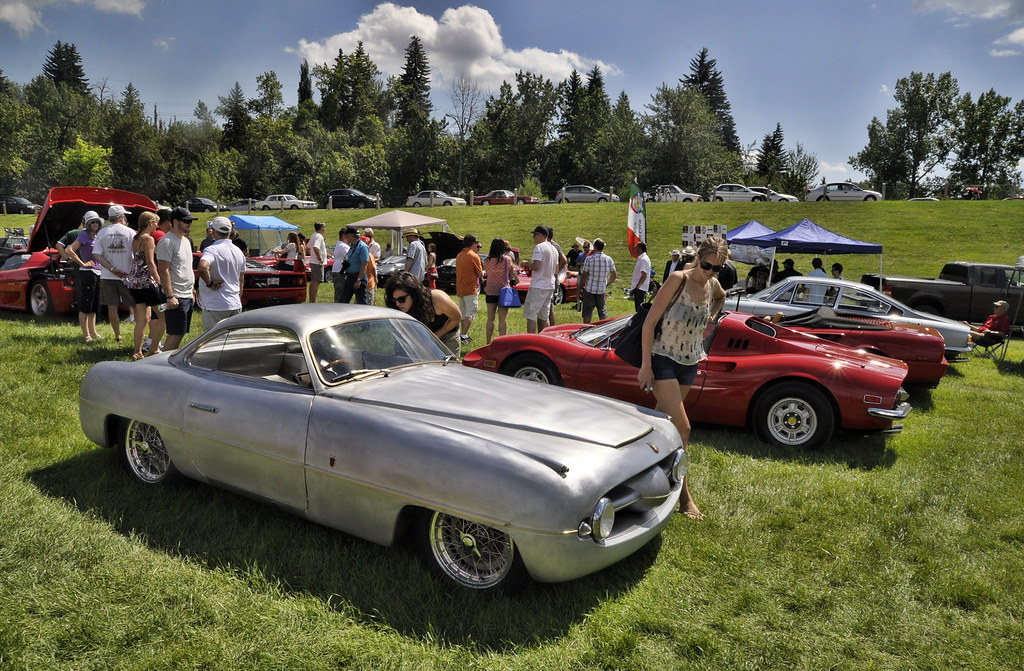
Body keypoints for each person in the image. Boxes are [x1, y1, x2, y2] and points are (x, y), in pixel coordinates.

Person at [637, 235, 728, 521]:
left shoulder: (712, 284)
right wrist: (645, 366)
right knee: (683, 428)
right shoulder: (678, 279)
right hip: (663, 359)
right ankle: (684, 497)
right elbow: (650, 322)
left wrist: (710, 318)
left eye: (717, 268)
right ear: (697, 257)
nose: (710, 271)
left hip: (689, 363)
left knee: (658, 423)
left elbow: (721, 297)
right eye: (706, 265)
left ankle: (638, 468)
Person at [384, 271, 462, 356]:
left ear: (414, 294)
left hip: (447, 333)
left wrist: (432, 339)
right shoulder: (399, 307)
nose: (397, 304)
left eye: (401, 299)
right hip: (422, 334)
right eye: (394, 300)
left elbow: (457, 317)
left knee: (448, 365)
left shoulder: (437, 299)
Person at [92, 204, 137, 344]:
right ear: (122, 217)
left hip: (107, 275)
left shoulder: (102, 232)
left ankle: (118, 335)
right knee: (136, 306)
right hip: (127, 275)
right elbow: (136, 253)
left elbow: (97, 255)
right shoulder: (130, 232)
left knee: (112, 307)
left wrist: (111, 269)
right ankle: (139, 332)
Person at [156, 206, 196, 351]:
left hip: (186, 294)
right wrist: (170, 296)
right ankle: (164, 366)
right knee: (175, 333)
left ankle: (167, 361)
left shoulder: (186, 241)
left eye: (190, 221)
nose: (189, 224)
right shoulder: (166, 242)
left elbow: (186, 267)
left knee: (181, 332)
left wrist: (192, 290)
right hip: (175, 296)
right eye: (186, 221)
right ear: (175, 221)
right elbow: (163, 270)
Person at [125, 211, 164, 359]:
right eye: (156, 222)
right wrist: (160, 281)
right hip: (148, 284)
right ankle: (153, 348)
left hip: (135, 283)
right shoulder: (148, 239)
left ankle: (137, 351)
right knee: (163, 313)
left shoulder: (135, 238)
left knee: (141, 320)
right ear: (150, 223)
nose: (157, 226)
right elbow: (150, 263)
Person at [197, 216, 247, 331]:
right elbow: (241, 279)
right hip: (235, 303)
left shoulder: (212, 249)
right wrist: (237, 299)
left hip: (216, 304)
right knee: (232, 342)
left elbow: (202, 267)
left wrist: (209, 283)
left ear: (213, 231)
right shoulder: (238, 251)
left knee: (213, 343)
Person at [65, 211, 104, 341]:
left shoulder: (96, 236)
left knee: (94, 303)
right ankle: (86, 334)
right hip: (88, 273)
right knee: (86, 303)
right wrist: (82, 263)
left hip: (98, 271)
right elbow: (69, 250)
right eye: (92, 222)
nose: (95, 224)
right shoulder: (84, 235)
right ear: (87, 223)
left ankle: (93, 331)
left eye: (97, 221)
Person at [482, 237, 518, 343]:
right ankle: (502, 342)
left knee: (490, 318)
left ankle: (488, 342)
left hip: (490, 290)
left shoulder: (487, 260)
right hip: (504, 291)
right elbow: (511, 274)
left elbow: (487, 273)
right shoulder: (507, 259)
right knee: (502, 319)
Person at [523, 225, 558, 333]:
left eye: (535, 235)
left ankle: (531, 341)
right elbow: (556, 270)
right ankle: (544, 340)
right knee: (544, 315)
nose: (533, 237)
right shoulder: (554, 248)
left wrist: (527, 264)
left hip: (539, 285)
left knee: (531, 315)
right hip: (550, 284)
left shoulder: (540, 247)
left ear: (541, 235)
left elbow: (537, 266)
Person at [578, 238, 617, 323]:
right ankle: (604, 332)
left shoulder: (589, 259)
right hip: (601, 290)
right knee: (602, 314)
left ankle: (586, 331)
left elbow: (584, 275)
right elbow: (614, 276)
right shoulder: (609, 259)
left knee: (587, 313)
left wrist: (581, 286)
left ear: (595, 247)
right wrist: (606, 283)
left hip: (589, 289)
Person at [456, 234, 484, 342]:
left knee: (463, 314)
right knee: (470, 313)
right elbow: (479, 273)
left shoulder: (459, 255)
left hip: (460, 288)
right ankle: (463, 335)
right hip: (471, 288)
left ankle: (463, 335)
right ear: (473, 244)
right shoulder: (474, 255)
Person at [336, 226, 370, 304]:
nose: (346, 238)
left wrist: (359, 280)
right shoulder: (352, 246)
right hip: (350, 277)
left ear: (351, 235)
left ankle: (365, 315)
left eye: (347, 236)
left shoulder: (362, 247)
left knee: (361, 301)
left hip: (358, 276)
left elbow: (364, 264)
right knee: (343, 300)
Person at [307, 221, 327, 303]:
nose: (325, 229)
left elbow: (308, 247)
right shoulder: (319, 236)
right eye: (324, 227)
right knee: (316, 282)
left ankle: (312, 300)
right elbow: (316, 247)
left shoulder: (314, 235)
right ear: (321, 228)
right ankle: (312, 301)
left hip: (313, 261)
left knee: (314, 282)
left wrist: (312, 255)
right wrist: (319, 258)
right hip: (317, 262)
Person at [630, 242, 652, 312]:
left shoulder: (643, 259)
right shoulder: (641, 258)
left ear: (640, 249)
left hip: (640, 288)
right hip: (639, 288)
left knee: (639, 309)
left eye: (636, 247)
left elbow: (644, 275)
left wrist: (637, 287)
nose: (635, 249)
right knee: (638, 308)